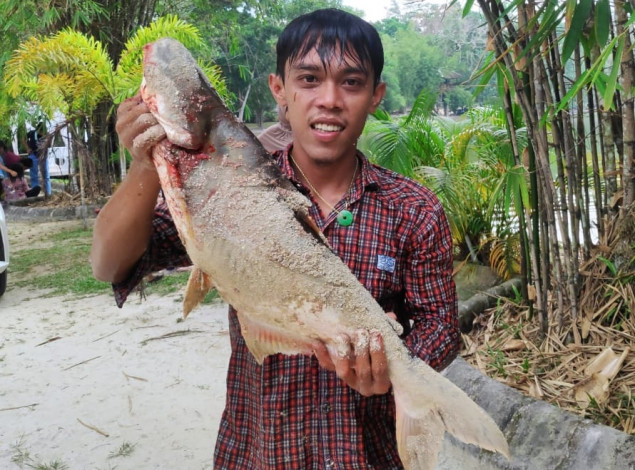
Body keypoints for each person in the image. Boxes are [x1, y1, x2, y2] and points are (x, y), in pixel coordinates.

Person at [91, 8, 459, 469]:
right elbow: (109, 265)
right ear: (278, 91)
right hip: (258, 453)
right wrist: (146, 164)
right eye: (308, 79)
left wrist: (390, 370)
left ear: (375, 96)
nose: (329, 99)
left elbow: (441, 326)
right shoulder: (224, 186)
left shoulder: (414, 210)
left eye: (351, 82)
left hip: (367, 456)